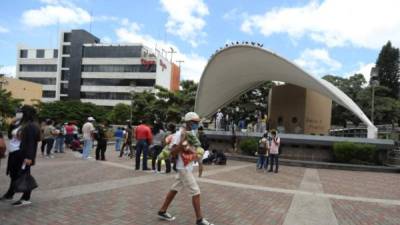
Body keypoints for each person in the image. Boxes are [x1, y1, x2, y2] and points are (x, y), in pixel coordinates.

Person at [158, 112, 214, 225]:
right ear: (188, 122)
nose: (197, 124)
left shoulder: (191, 133)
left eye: (198, 122)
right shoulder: (179, 134)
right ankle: (199, 219)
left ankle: (162, 211)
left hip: (186, 167)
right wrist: (181, 145)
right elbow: (172, 152)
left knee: (174, 189)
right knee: (196, 191)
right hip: (182, 167)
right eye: (195, 122)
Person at [0, 105, 41, 206]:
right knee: (13, 174)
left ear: (26, 113)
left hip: (22, 153)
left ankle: (26, 197)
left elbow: (31, 143)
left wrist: (29, 157)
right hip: (14, 152)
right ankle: (10, 194)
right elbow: (10, 136)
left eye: (21, 112)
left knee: (23, 175)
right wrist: (11, 124)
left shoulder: (31, 125)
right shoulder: (20, 124)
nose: (19, 113)